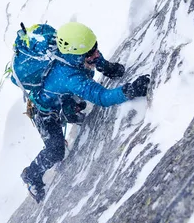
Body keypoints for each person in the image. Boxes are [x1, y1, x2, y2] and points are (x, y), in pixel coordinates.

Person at [18, 21, 150, 202]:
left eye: (95, 48)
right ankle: (31, 175)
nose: (96, 54)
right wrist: (130, 91)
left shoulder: (77, 53)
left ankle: (69, 110)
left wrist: (108, 68)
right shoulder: (70, 77)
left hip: (60, 98)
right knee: (56, 151)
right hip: (44, 113)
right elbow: (102, 97)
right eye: (90, 53)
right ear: (76, 56)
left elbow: (94, 57)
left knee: (76, 108)